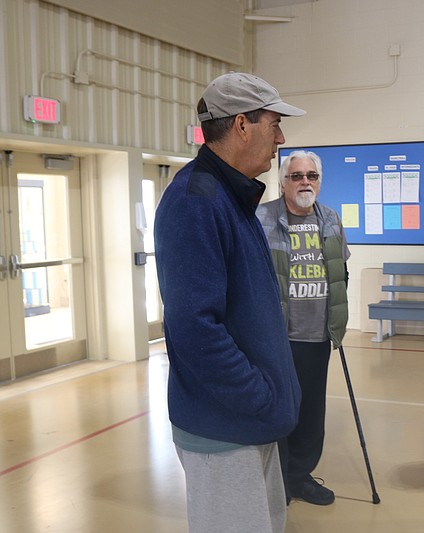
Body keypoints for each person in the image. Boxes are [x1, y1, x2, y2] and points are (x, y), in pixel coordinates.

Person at [154, 72, 305, 533]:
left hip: (249, 424)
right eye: (274, 124)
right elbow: (196, 328)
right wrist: (258, 395)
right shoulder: (196, 201)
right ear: (242, 125)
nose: (281, 138)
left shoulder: (229, 195)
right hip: (225, 429)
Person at [256, 150, 350, 506]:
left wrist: (337, 322)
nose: (305, 182)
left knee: (311, 414)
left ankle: (299, 477)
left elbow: (341, 270)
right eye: (296, 176)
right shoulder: (262, 218)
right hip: (278, 336)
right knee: (280, 412)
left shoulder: (330, 218)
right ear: (282, 182)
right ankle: (276, 480)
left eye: (311, 175)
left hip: (317, 336)